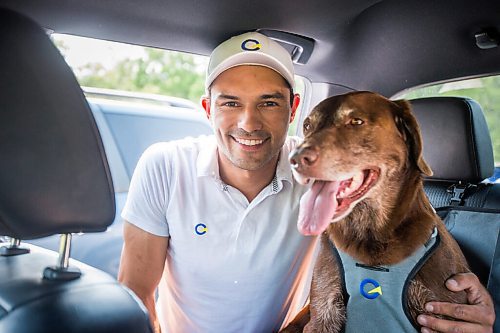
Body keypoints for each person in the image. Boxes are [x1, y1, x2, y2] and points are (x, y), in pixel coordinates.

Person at [118, 32, 495, 333]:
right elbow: (135, 298)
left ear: (293, 109)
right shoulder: (165, 165)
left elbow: (409, 216)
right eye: (230, 103)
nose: (249, 123)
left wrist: (476, 300)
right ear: (207, 109)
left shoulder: (325, 173)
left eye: (269, 103)